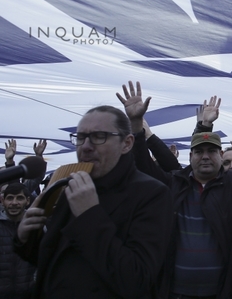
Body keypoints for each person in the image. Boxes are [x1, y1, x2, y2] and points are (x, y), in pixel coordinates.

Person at [118, 80, 232, 299]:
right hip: (173, 292)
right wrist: (136, 123)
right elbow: (142, 165)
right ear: (190, 156)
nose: (205, 156)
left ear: (220, 156)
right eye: (199, 151)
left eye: (211, 151)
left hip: (220, 291)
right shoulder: (172, 184)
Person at [14, 105, 174, 298]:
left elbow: (137, 280)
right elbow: (53, 262)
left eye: (99, 136)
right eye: (80, 137)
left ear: (127, 143)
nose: (86, 146)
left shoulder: (152, 194)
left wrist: (88, 215)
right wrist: (26, 238)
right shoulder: (67, 186)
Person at [0, 183, 35, 299]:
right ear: (2, 200)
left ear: (28, 201)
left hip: (29, 293)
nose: (14, 203)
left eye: (19, 198)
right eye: (10, 198)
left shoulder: (37, 227)